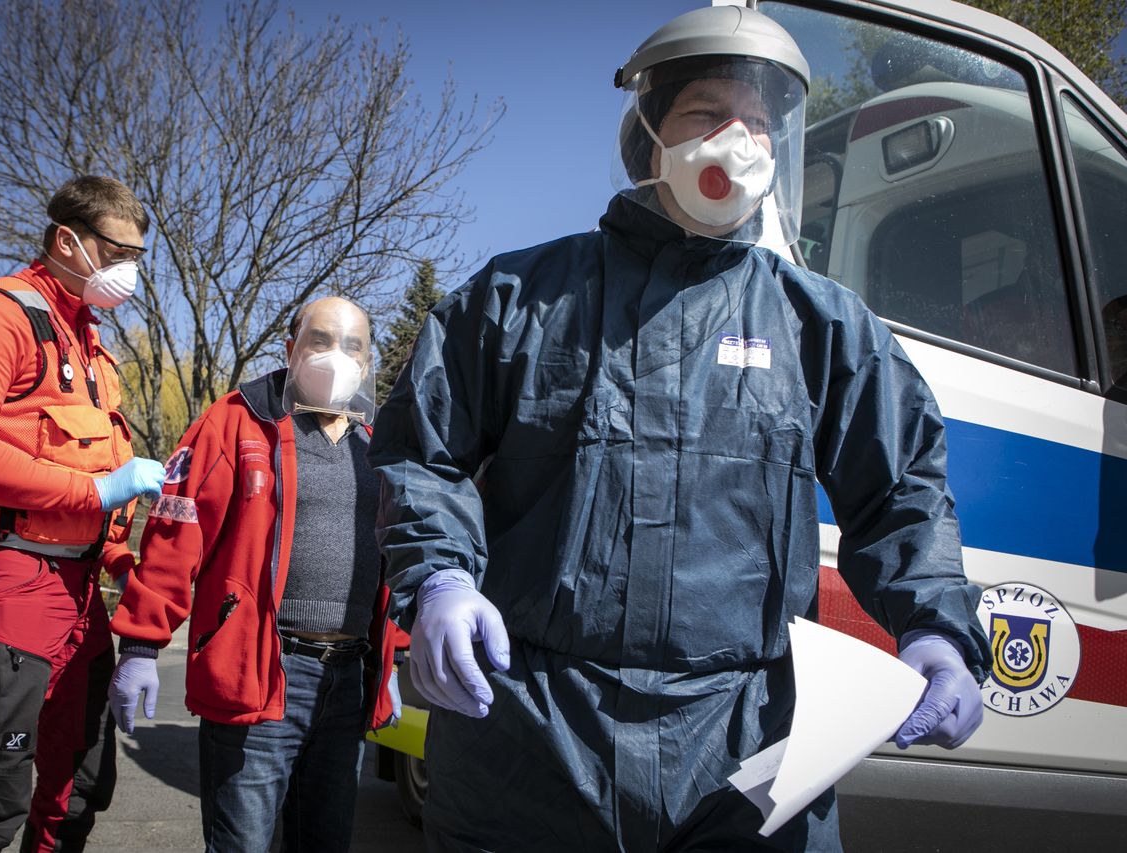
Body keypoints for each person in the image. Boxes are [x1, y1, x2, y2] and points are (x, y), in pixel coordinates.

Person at [368, 6, 990, 851]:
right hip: (532, 743)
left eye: (760, 122)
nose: (739, 140)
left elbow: (903, 486)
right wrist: (439, 576)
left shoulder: (823, 328)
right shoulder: (519, 300)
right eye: (708, 113)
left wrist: (937, 627)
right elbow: (421, 453)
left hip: (749, 752)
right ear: (650, 134)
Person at [0, 175, 166, 852]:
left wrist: (119, 550)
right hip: (9, 586)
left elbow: (95, 467)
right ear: (66, 240)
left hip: (82, 597)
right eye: (118, 253)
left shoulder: (92, 347)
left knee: (78, 791)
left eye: (138, 258)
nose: (129, 272)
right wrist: (95, 495)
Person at [107, 295, 400, 853]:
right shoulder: (237, 420)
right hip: (262, 671)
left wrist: (391, 656)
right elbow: (175, 534)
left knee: (325, 841)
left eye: (353, 345)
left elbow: (393, 554)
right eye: (321, 340)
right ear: (290, 349)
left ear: (367, 362)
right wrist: (141, 646)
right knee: (243, 843)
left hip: (348, 680)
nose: (337, 356)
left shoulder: (377, 442)